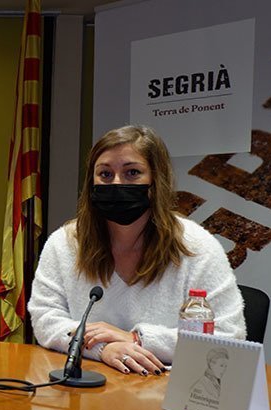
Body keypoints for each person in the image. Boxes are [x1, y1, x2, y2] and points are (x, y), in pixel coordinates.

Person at [28, 125, 246, 375]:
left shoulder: (196, 246)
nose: (117, 183)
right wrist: (103, 350)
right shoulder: (64, 243)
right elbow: (45, 319)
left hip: (167, 394)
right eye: (105, 174)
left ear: (156, 180)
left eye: (132, 172)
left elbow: (229, 336)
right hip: (88, 391)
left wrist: (136, 339)